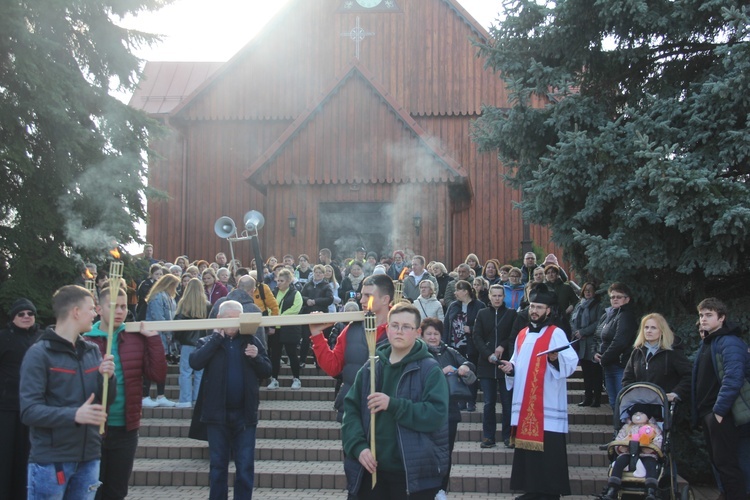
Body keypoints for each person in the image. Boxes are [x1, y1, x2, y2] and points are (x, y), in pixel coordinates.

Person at [342, 303, 449, 499]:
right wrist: (358, 447)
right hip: (370, 469)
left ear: (417, 332)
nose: (399, 331)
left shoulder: (429, 369)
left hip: (411, 474)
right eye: (394, 325)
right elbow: (351, 410)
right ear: (387, 328)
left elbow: (436, 415)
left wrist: (393, 405)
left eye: (406, 327)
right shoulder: (371, 367)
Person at [20, 285, 115, 500]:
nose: (95, 313)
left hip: (89, 456)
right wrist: (74, 415)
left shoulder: (92, 350)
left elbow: (106, 400)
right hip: (52, 461)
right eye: (91, 308)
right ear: (76, 312)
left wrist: (108, 378)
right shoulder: (39, 354)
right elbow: (29, 411)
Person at [84, 285, 167, 500]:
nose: (120, 311)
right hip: (93, 428)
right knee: (92, 489)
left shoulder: (134, 337)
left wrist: (153, 339)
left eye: (123, 306)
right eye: (113, 306)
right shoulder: (86, 340)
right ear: (99, 309)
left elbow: (157, 374)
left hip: (126, 426)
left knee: (117, 490)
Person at [499, 283, 578, 499]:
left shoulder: (556, 333)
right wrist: (511, 368)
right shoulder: (522, 334)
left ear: (548, 310)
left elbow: (571, 361)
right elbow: (517, 361)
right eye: (532, 306)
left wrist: (555, 359)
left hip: (547, 404)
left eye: (539, 307)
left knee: (548, 452)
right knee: (528, 453)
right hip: (526, 403)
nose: (534, 311)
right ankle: (532, 490)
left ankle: (551, 493)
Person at [189, 300, 272, 500]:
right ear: (219, 319)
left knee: (245, 467)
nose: (234, 324)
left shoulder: (251, 341)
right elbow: (196, 362)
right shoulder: (208, 341)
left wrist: (257, 358)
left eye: (238, 319)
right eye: (229, 319)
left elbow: (267, 371)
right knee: (218, 467)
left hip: (244, 415)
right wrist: (217, 338)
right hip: (217, 415)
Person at [311, 274, 394, 421]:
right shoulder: (351, 328)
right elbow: (333, 367)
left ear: (385, 299)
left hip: (388, 413)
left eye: (368, 296)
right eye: (362, 295)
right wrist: (317, 335)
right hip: (353, 410)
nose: (361, 300)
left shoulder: (400, 330)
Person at [692, 297, 746, 499]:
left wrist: (719, 412)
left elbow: (734, 378)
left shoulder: (729, 342)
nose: (703, 319)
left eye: (709, 315)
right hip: (709, 413)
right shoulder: (709, 342)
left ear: (721, 318)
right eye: (701, 315)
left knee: (727, 464)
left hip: (721, 414)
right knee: (719, 463)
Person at [421, 317, 475, 500]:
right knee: (426, 453)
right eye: (429, 333)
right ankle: (425, 488)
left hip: (449, 412)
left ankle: (440, 489)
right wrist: (440, 373)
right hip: (426, 411)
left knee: (446, 453)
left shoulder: (449, 351)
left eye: (436, 333)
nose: (433, 337)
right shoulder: (419, 353)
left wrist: (465, 368)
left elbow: (468, 363)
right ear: (421, 335)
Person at [0, 298, 41, 499]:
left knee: (28, 456)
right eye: (21, 314)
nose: (26, 317)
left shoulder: (42, 339)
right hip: (8, 407)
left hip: (34, 407)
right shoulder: (3, 338)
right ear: (13, 318)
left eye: (30, 313)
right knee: (6, 457)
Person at [473, 285, 518, 448]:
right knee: (488, 403)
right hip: (486, 365)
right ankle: (488, 436)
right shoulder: (482, 313)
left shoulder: (512, 314)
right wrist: (487, 354)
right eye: (494, 295)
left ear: (504, 296)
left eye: (500, 295)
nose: (497, 298)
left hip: (505, 365)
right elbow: (476, 337)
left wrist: (502, 346)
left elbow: (514, 334)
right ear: (490, 297)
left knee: (507, 402)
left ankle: (508, 436)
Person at [622, 313, 692, 402]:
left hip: (664, 404)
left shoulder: (672, 352)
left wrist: (675, 393)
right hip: (640, 403)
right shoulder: (637, 352)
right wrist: (635, 394)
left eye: (653, 328)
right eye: (646, 327)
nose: (648, 331)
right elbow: (627, 378)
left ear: (662, 331)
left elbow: (688, 375)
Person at [443, 279, 485, 411]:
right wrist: (445, 344)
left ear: (465, 291)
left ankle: (471, 401)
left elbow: (484, 325)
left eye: (457, 290)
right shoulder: (453, 306)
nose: (455, 293)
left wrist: (471, 329)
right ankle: (461, 400)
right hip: (454, 345)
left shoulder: (479, 305)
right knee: (457, 372)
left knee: (469, 372)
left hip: (471, 346)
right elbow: (446, 325)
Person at [594, 282, 638, 406]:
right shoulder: (607, 315)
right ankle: (617, 426)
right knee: (613, 402)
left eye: (619, 297)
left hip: (620, 366)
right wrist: (595, 353)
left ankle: (625, 426)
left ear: (627, 299)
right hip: (608, 366)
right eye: (612, 297)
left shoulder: (626, 316)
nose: (615, 299)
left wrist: (604, 358)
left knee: (623, 403)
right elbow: (597, 336)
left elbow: (620, 342)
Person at [173, 278, 211, 408]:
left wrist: (177, 339)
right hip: (202, 343)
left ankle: (185, 400)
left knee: (185, 372)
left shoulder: (183, 303)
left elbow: (177, 325)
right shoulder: (206, 304)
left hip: (187, 343)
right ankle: (197, 399)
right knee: (200, 372)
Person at [143, 273, 180, 408]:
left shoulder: (170, 298)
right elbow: (158, 317)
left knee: (162, 366)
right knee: (151, 365)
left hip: (165, 336)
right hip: (157, 335)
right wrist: (169, 330)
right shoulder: (157, 297)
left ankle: (160, 395)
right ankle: (145, 395)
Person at [570, 282, 606, 407]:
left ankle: (596, 398)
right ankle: (587, 397)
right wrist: (576, 332)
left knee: (595, 372)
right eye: (586, 290)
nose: (588, 292)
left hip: (593, 343)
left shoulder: (598, 306)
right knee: (586, 373)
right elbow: (573, 320)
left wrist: (584, 331)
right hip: (581, 343)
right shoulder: (579, 305)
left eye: (590, 290)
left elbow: (599, 322)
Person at [267, 269, 304, 390]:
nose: (278, 283)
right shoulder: (273, 292)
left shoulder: (296, 293)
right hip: (275, 330)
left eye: (281, 281)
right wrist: (273, 321)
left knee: (292, 354)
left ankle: (296, 378)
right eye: (278, 280)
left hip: (290, 329)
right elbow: (269, 307)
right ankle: (274, 379)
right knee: (275, 355)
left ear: (288, 281)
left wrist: (279, 317)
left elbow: (295, 309)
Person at [299, 264, 334, 369]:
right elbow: (301, 296)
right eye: (316, 272)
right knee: (305, 339)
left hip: (320, 316)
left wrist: (315, 301)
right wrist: (307, 300)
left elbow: (329, 299)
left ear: (323, 275)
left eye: (320, 273)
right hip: (307, 315)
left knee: (319, 339)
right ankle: (302, 360)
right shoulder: (307, 285)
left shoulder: (327, 286)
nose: (318, 274)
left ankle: (318, 361)